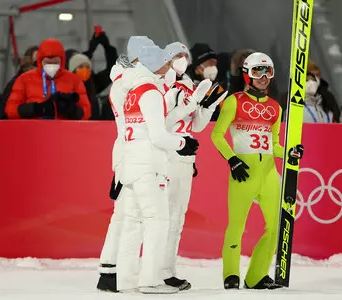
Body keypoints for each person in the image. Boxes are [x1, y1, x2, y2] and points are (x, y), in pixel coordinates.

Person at [211, 52, 303, 290]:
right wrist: (232, 160)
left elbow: (274, 146)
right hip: (244, 170)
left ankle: (256, 276)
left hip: (269, 172)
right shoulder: (234, 101)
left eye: (268, 72)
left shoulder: (274, 108)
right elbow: (217, 135)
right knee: (237, 226)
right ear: (247, 74)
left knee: (275, 226)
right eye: (257, 72)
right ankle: (231, 274)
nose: (263, 77)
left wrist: (290, 152)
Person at [116, 45, 199, 294]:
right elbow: (159, 135)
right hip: (149, 165)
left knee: (132, 221)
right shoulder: (151, 92)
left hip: (132, 163)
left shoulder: (132, 90)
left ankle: (125, 279)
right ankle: (150, 280)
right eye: (164, 61)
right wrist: (184, 143)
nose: (169, 66)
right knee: (158, 220)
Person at [160, 41, 225, 291]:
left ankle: (167, 270)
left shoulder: (188, 84)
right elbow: (162, 122)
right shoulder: (161, 83)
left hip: (186, 157)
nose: (182, 61)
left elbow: (195, 126)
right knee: (162, 217)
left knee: (177, 218)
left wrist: (206, 106)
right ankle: (152, 270)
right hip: (166, 153)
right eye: (177, 56)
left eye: (185, 57)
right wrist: (189, 104)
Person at [96, 35, 155, 293]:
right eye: (150, 53)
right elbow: (125, 128)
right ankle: (109, 271)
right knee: (123, 216)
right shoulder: (124, 83)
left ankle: (112, 270)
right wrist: (119, 165)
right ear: (138, 56)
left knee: (128, 215)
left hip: (131, 150)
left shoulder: (128, 79)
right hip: (128, 151)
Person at [5, 38, 91, 120]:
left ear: (62, 61)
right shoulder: (24, 79)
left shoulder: (74, 80)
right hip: (33, 131)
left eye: (56, 63)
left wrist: (71, 110)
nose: (52, 66)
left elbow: (87, 112)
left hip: (64, 131)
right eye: (47, 63)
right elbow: (10, 110)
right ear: (40, 60)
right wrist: (35, 108)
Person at [66, 30, 118, 120]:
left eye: (87, 67)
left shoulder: (92, 83)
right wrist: (90, 51)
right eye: (80, 67)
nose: (84, 70)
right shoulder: (64, 88)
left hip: (94, 130)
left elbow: (112, 70)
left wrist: (107, 47)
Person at [188, 43, 227, 120]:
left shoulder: (220, 89)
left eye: (214, 63)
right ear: (197, 69)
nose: (213, 67)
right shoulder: (187, 88)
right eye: (209, 63)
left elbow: (226, 115)